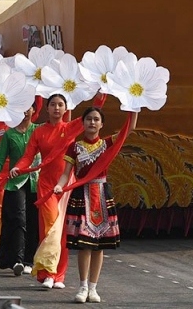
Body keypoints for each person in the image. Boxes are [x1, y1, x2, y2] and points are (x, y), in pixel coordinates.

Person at [11, 94, 87, 289]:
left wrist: (101, 93)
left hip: (67, 185)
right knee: (50, 228)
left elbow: (93, 110)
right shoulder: (39, 132)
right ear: (46, 108)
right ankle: (48, 273)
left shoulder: (70, 128)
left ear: (65, 108)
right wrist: (18, 167)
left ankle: (58, 275)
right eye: (53, 104)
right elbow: (28, 156)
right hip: (46, 187)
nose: (56, 108)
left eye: (60, 105)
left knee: (62, 232)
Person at [56, 108, 123, 303]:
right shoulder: (74, 147)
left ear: (102, 124)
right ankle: (82, 286)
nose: (92, 123)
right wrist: (60, 186)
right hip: (81, 194)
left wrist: (133, 108)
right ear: (83, 123)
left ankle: (93, 288)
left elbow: (130, 129)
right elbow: (65, 172)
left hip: (101, 195)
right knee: (84, 245)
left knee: (98, 246)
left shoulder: (108, 143)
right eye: (88, 119)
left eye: (96, 119)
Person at [0, 108, 40, 276]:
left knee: (34, 220)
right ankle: (17, 259)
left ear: (34, 110)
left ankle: (29, 260)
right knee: (18, 219)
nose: (25, 112)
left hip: (37, 181)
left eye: (28, 108)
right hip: (16, 182)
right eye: (22, 108)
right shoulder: (9, 134)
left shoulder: (38, 130)